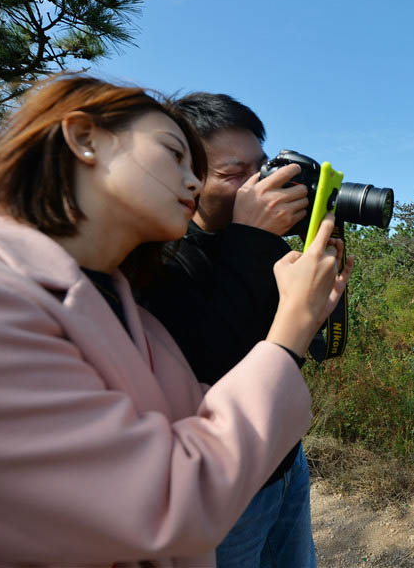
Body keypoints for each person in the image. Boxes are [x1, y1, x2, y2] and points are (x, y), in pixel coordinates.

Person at [0, 74, 351, 567]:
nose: (191, 181)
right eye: (175, 154)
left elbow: (199, 410)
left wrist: (304, 306)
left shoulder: (119, 298)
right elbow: (169, 497)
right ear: (84, 138)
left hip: (273, 472)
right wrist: (289, 331)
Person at [136, 92, 318, 568]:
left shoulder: (261, 242)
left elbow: (295, 344)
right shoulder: (158, 259)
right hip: (226, 487)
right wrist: (251, 239)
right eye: (234, 173)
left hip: (285, 462)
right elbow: (212, 367)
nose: (256, 185)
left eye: (261, 167)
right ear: (187, 176)